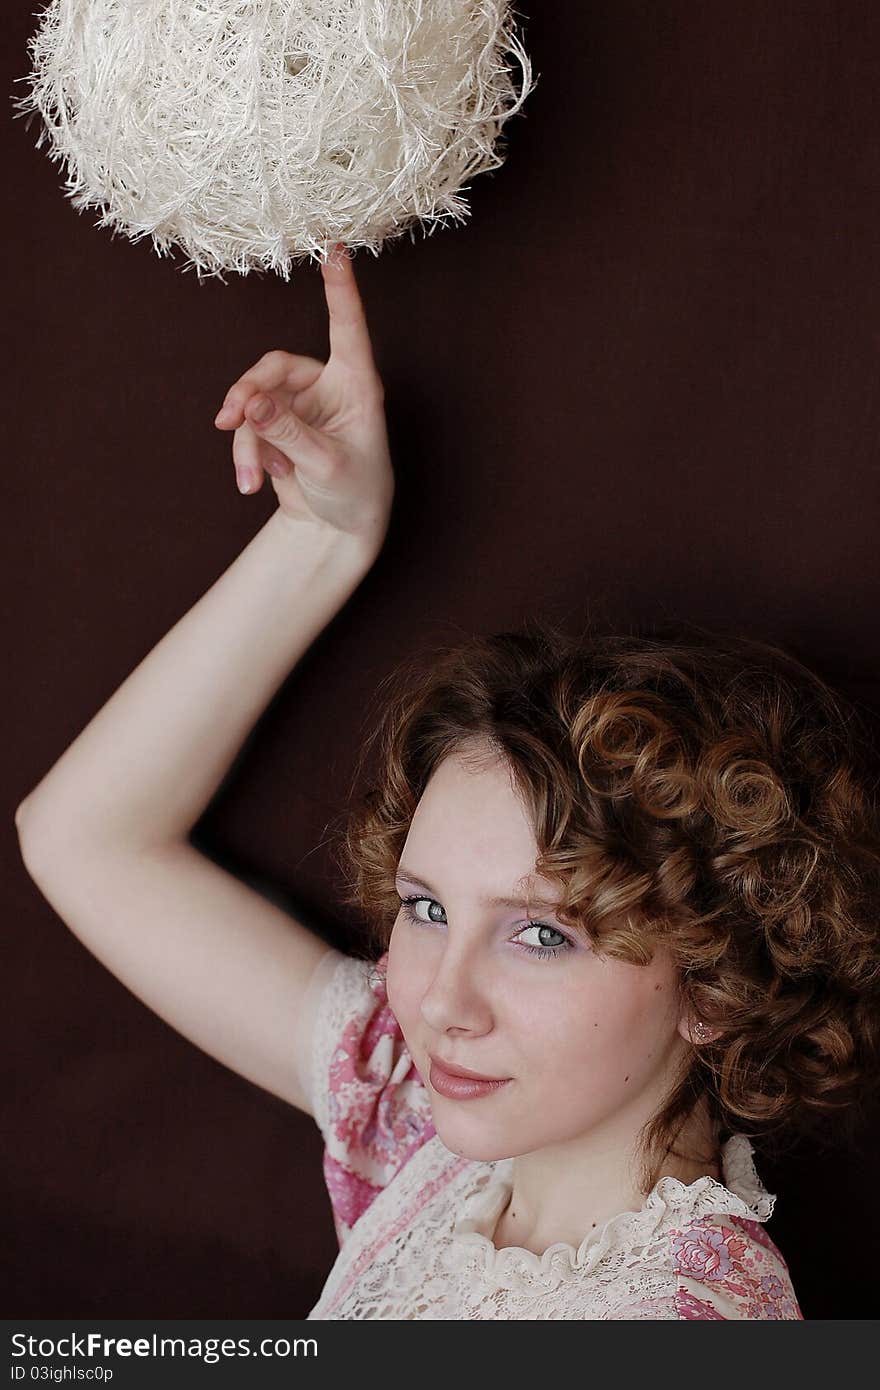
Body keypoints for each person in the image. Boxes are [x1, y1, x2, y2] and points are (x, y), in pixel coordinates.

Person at [15, 248, 880, 1319]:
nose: (436, 999)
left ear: (714, 982)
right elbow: (83, 836)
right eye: (426, 908)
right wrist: (321, 537)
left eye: (541, 934)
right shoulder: (426, 1122)